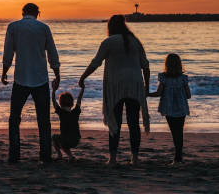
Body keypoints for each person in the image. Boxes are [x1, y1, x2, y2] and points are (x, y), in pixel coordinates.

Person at [79, 14, 150, 166]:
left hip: (115, 86)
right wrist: (147, 86)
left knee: (114, 121)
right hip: (134, 85)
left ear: (110, 26)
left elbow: (95, 63)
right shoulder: (135, 41)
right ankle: (135, 158)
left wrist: (83, 77)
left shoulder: (109, 42)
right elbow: (145, 66)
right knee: (133, 123)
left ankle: (112, 158)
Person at [2, 3, 60, 164]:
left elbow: (8, 52)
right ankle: (45, 156)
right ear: (38, 13)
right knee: (43, 120)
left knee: (14, 118)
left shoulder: (13, 27)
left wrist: (4, 71)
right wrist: (57, 72)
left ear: (22, 13)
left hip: (20, 78)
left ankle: (14, 156)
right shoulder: (44, 28)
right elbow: (52, 53)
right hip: (40, 78)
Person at [148, 53, 190, 165]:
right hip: (181, 107)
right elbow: (188, 95)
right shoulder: (183, 78)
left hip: (168, 107)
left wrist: (146, 94)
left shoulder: (163, 78)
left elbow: (158, 93)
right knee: (179, 132)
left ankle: (177, 159)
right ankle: (178, 157)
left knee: (174, 132)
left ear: (166, 64)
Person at [51, 87, 84, 162]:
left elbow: (53, 101)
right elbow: (79, 99)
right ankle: (69, 156)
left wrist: (53, 90)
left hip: (65, 140)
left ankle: (62, 155)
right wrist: (82, 89)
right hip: (76, 140)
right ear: (72, 103)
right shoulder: (76, 111)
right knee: (63, 139)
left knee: (54, 137)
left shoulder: (61, 112)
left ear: (60, 103)